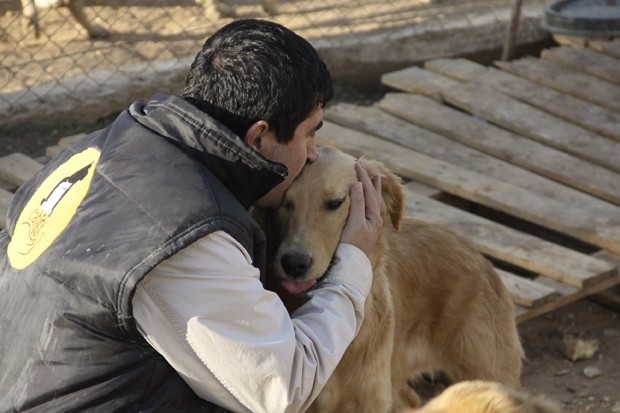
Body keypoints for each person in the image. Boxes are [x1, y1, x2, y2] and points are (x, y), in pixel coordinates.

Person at [0, 19, 383, 412]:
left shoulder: (101, 148)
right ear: (259, 138)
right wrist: (352, 266)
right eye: (309, 135)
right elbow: (283, 390)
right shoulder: (188, 234)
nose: (313, 153)